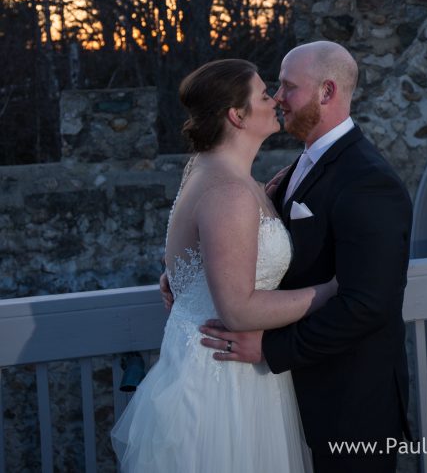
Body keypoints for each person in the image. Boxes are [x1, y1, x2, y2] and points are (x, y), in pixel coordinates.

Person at [112, 58, 338, 473]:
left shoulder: (210, 171)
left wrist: (180, 279)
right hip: (220, 384)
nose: (275, 101)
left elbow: (200, 262)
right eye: (264, 95)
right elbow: (236, 310)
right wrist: (331, 290)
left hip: (224, 369)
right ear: (237, 115)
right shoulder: (228, 192)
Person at [198, 41, 413, 473]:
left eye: (289, 86)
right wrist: (189, 276)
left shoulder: (369, 181)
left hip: (350, 408)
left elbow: (367, 305)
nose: (278, 97)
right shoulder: (302, 165)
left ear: (327, 92)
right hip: (292, 398)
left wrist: (270, 348)